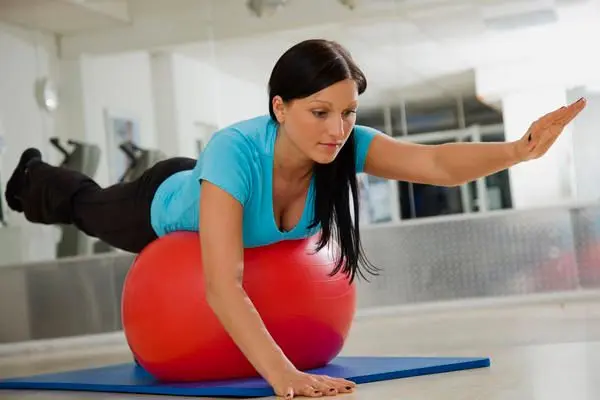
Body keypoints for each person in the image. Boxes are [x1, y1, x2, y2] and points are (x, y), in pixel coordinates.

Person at [4, 39, 586, 398]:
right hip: (167, 203)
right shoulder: (237, 150)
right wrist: (283, 375)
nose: (337, 128)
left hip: (216, 191)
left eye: (348, 112)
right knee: (88, 207)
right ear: (279, 108)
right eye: (320, 112)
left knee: (91, 202)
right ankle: (31, 178)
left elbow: (432, 160)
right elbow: (219, 284)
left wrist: (518, 151)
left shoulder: (343, 146)